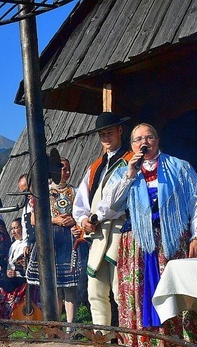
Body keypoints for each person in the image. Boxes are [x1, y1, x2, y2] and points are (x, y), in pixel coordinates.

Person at [100, 123, 197, 347]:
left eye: (149, 137)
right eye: (138, 139)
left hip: (172, 242)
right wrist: (129, 175)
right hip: (138, 244)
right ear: (132, 145)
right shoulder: (123, 171)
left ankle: (181, 346)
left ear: (157, 141)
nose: (144, 142)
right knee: (140, 294)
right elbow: (109, 207)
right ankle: (144, 346)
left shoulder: (179, 167)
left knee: (175, 291)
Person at [72, 112, 132, 330]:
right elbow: (79, 203)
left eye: (109, 132)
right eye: (102, 134)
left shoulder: (131, 161)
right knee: (95, 290)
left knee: (121, 288)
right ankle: (102, 336)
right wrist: (83, 220)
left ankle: (127, 335)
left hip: (121, 232)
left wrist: (98, 216)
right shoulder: (95, 166)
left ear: (120, 131)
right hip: (97, 234)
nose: (106, 137)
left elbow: (121, 201)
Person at [26, 157, 82, 322]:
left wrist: (74, 219)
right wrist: (54, 220)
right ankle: (56, 323)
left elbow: (83, 212)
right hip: (51, 239)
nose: (66, 172)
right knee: (55, 285)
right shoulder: (43, 192)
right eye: (62, 168)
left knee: (70, 286)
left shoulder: (76, 191)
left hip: (71, 239)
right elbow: (34, 220)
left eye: (68, 169)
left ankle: (70, 325)